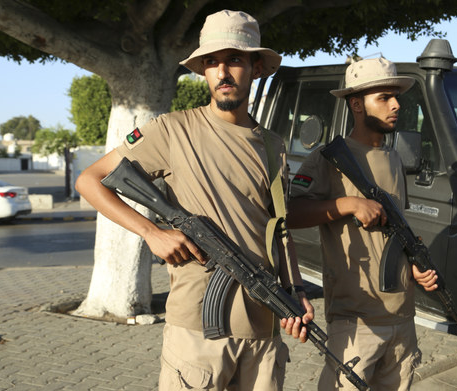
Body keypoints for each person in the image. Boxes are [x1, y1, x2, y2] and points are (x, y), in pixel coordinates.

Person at [75, 10, 313, 391]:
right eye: (212, 62)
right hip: (197, 331)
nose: (223, 72)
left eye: (235, 59)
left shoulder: (273, 146)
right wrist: (152, 233)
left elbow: (279, 229)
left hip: (264, 329)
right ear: (203, 71)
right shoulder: (171, 130)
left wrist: (297, 292)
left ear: (256, 67)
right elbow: (89, 180)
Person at [287, 57, 438, 391]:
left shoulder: (395, 158)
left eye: (396, 96)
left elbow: (396, 229)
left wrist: (413, 265)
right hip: (356, 320)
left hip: (402, 317)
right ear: (356, 104)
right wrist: (347, 204)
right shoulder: (328, 158)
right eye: (384, 97)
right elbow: (289, 214)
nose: (396, 104)